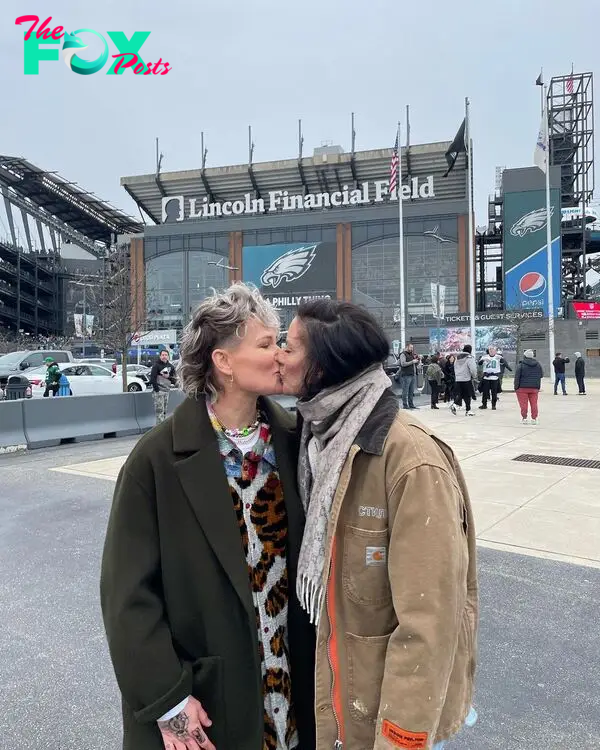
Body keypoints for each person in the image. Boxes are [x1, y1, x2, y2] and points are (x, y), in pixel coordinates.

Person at [100, 284, 316, 750]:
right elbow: (127, 594)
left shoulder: (297, 441)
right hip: (208, 703)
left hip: (294, 696)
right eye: (265, 344)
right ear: (223, 362)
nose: (279, 354)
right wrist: (168, 699)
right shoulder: (156, 460)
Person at [276, 300, 478, 750]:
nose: (277, 356)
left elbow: (430, 622)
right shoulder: (316, 439)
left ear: (323, 364)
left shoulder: (409, 460)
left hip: (387, 722)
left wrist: (400, 738)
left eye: (288, 347)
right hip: (340, 705)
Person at [514, 349, 543, 425]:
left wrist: (516, 387)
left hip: (522, 388)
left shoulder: (521, 365)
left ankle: (524, 418)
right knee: (534, 404)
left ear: (525, 356)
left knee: (523, 404)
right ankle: (534, 419)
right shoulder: (538, 364)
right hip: (534, 388)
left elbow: (517, 377)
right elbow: (541, 375)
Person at [149, 350, 178, 424]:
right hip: (159, 391)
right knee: (159, 411)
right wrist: (157, 390)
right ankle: (159, 429)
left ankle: (163, 427)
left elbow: (174, 380)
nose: (164, 356)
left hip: (166, 391)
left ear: (168, 356)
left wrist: (168, 377)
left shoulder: (171, 366)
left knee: (164, 411)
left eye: (166, 355)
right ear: (160, 356)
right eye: (162, 355)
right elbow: (152, 378)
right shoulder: (156, 365)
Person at [451, 345, 477, 416]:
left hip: (458, 379)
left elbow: (455, 367)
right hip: (466, 379)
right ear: (470, 350)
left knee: (461, 394)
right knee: (467, 395)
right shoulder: (469, 358)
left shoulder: (457, 358)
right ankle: (467, 410)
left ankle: (456, 405)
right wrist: (474, 376)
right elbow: (473, 369)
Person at [399, 342, 420, 410]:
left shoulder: (411, 354)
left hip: (412, 374)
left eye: (412, 348)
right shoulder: (403, 354)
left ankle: (411, 404)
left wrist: (417, 361)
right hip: (406, 375)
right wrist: (412, 362)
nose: (412, 349)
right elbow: (403, 364)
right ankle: (405, 405)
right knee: (405, 390)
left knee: (411, 391)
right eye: (410, 347)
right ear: (406, 347)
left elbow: (414, 364)